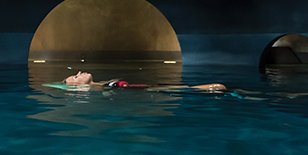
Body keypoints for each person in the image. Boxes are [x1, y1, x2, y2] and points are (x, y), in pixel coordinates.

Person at [61, 70, 226, 91]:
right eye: (76, 76)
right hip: (143, 91)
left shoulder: (100, 85)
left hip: (142, 88)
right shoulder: (95, 91)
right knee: (217, 87)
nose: (79, 72)